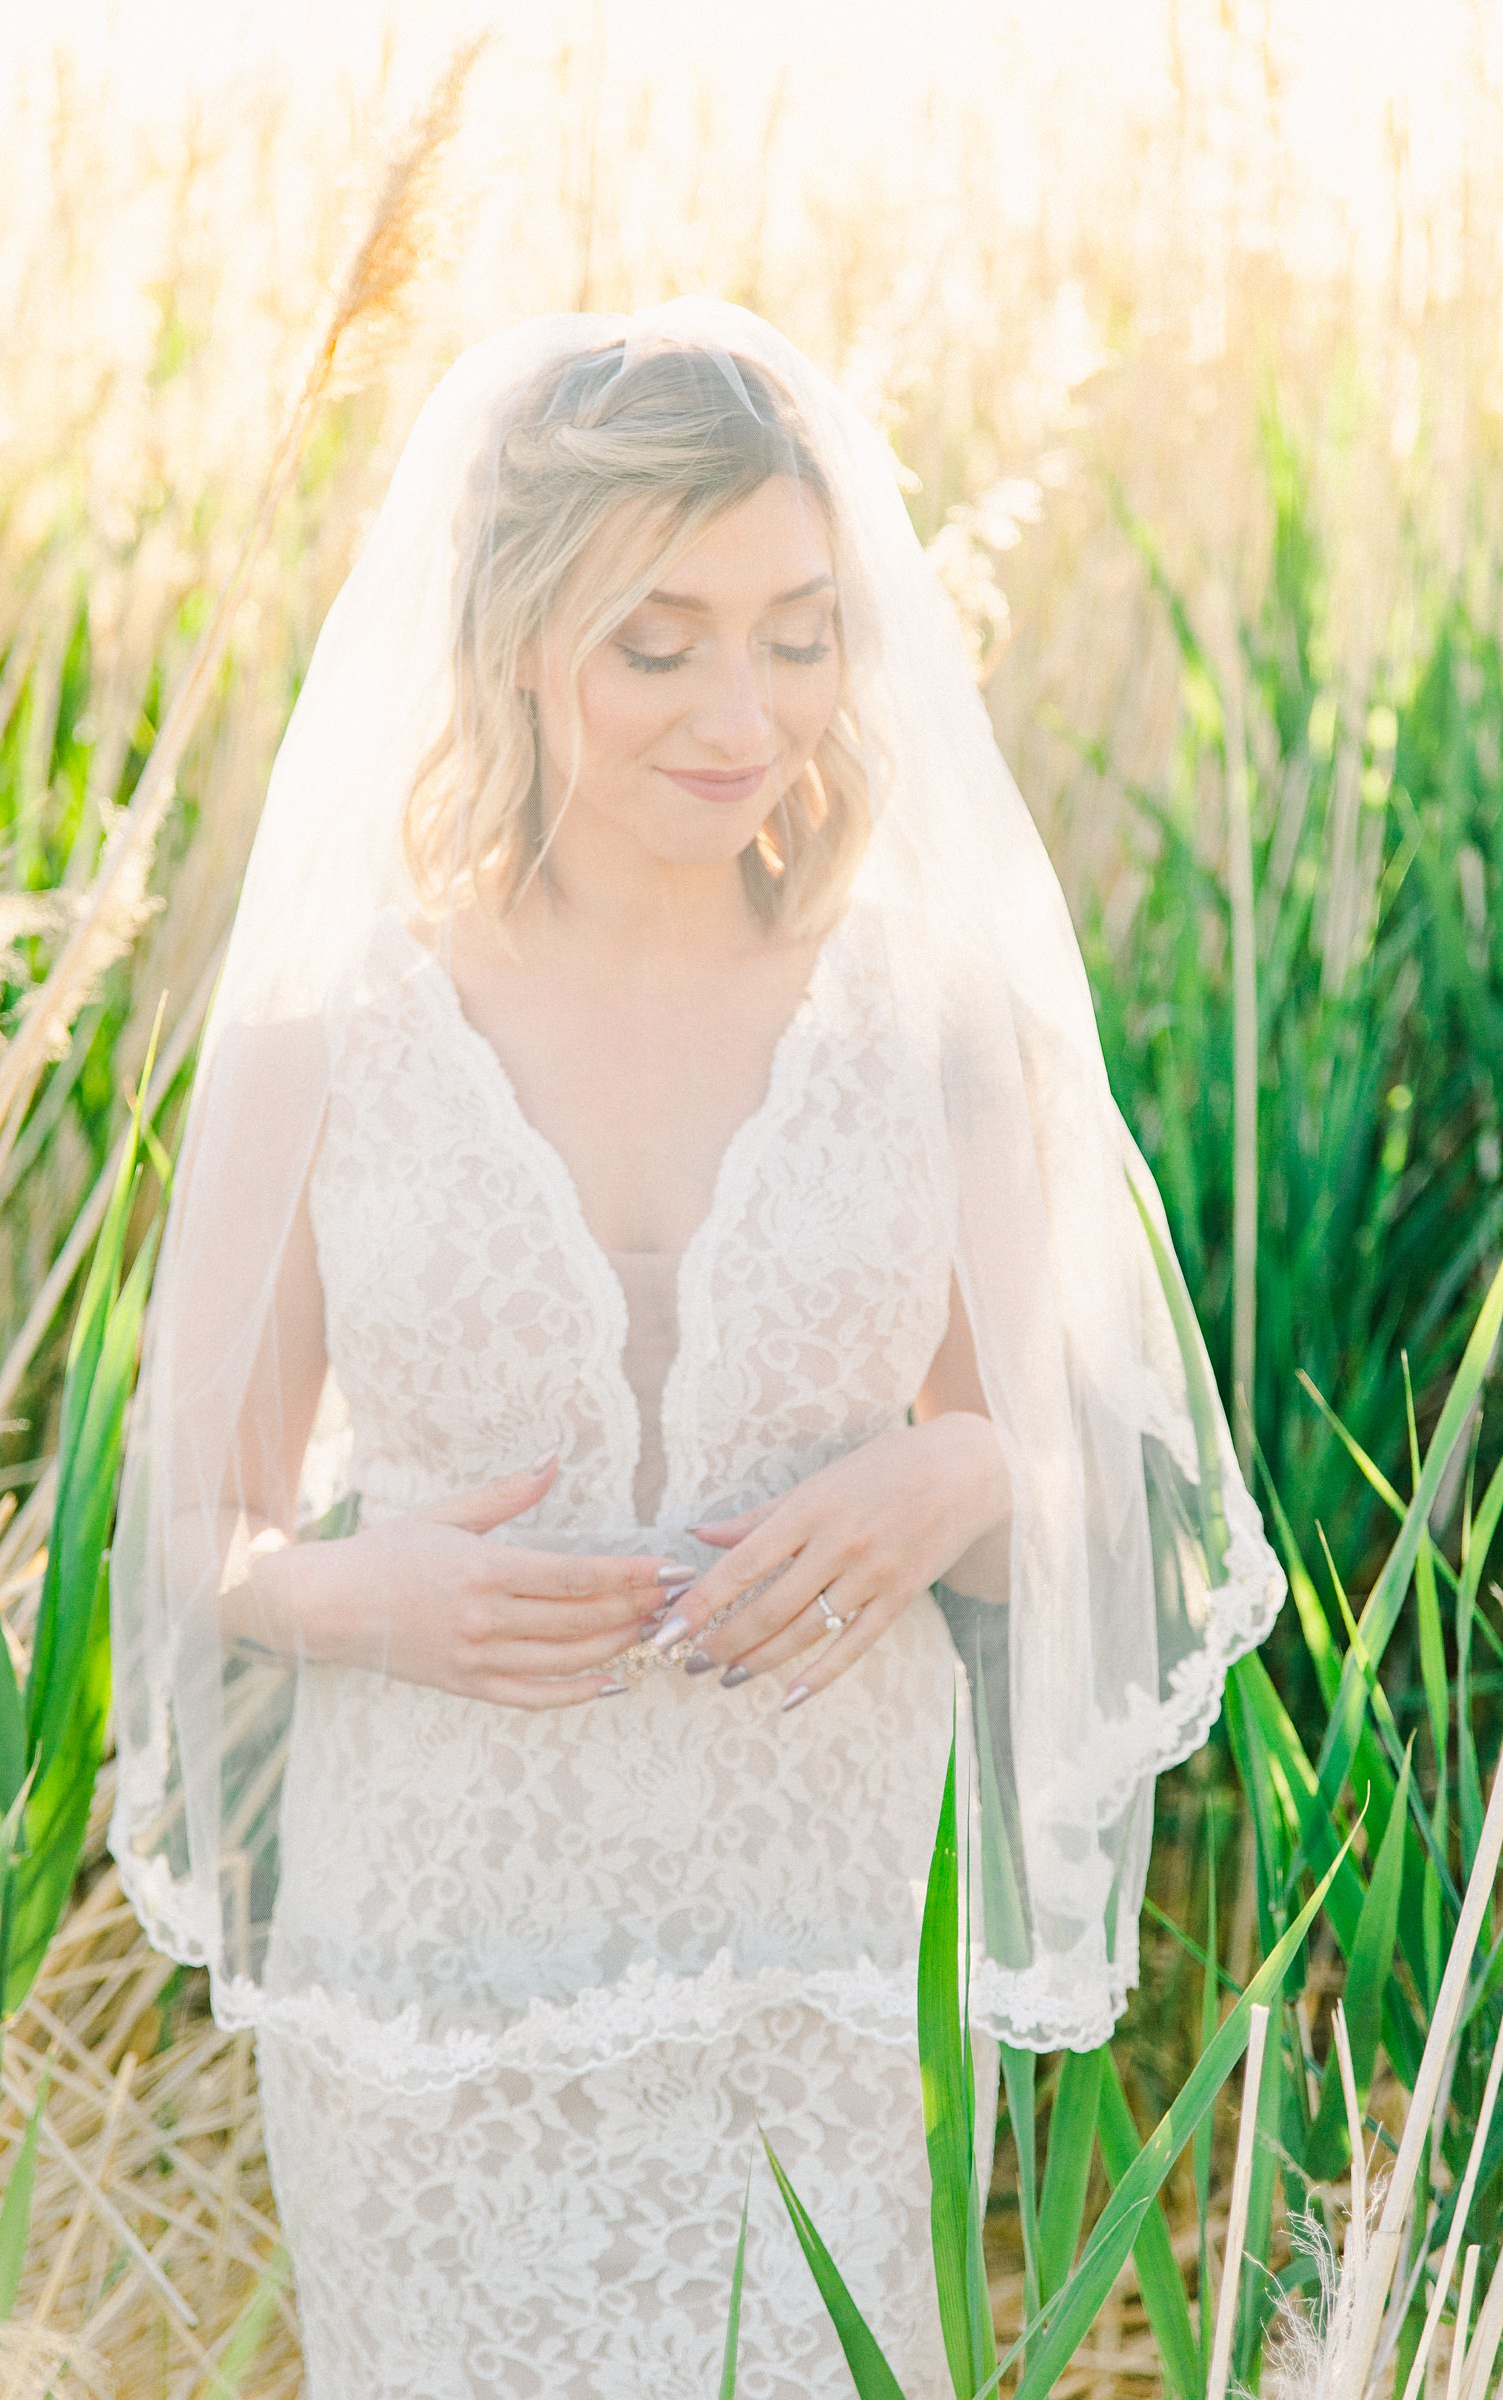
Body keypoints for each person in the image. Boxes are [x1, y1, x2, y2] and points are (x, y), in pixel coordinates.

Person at [107, 302, 1285, 2398]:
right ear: (510, 638)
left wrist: (958, 1476)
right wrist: (343, 1594)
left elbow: (1088, 1513)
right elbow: (189, 1534)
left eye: (798, 632)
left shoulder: (934, 1017)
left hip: (824, 1975)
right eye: (658, 642)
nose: (739, 710)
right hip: (430, 1988)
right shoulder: (329, 1031)